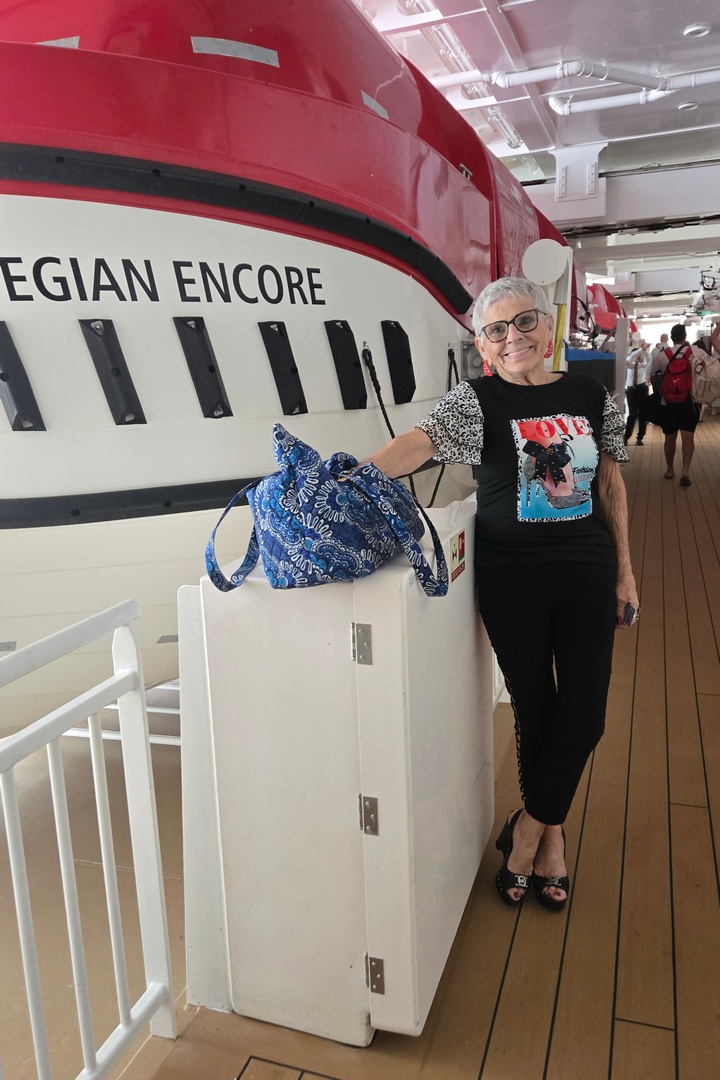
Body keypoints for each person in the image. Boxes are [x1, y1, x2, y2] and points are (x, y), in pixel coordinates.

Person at [345, 277, 639, 912]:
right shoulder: (476, 401)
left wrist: (625, 571)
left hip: (587, 570)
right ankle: (552, 839)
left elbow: (610, 485)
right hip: (511, 576)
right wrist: (346, 478)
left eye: (524, 321)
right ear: (482, 344)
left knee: (585, 717)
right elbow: (418, 444)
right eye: (496, 330)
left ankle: (526, 829)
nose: (513, 339)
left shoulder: (590, 395)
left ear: (548, 325)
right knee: (535, 710)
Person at [648, 324, 700, 486]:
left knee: (670, 437)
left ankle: (670, 469)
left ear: (671, 338)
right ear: (685, 336)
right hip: (689, 401)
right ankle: (685, 471)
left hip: (668, 402)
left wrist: (662, 390)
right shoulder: (694, 353)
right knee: (688, 437)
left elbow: (652, 376)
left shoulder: (662, 355)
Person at [624, 340, 652, 445]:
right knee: (632, 414)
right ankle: (626, 437)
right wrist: (640, 350)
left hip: (642, 388)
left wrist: (644, 351)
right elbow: (630, 358)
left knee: (643, 414)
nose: (639, 357)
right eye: (638, 355)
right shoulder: (629, 364)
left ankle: (640, 437)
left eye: (641, 355)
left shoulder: (643, 364)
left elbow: (648, 358)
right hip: (631, 390)